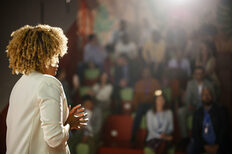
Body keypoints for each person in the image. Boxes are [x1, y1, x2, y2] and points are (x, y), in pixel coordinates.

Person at [6, 25, 88, 154]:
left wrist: (64, 122)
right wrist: (70, 125)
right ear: (43, 56)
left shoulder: (19, 85)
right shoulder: (48, 82)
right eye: (55, 55)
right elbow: (54, 139)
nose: (57, 62)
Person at [187, 87, 229, 154]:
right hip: (202, 143)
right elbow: (195, 132)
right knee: (190, 150)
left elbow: (224, 130)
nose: (206, 96)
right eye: (204, 95)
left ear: (212, 96)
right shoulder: (197, 113)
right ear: (201, 97)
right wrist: (205, 146)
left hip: (218, 143)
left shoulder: (221, 110)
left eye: (208, 94)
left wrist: (216, 146)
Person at [178, 66, 215, 138]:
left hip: (206, 107)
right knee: (181, 111)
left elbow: (213, 98)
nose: (198, 75)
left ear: (203, 74)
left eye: (200, 73)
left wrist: (206, 106)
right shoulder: (190, 84)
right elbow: (187, 99)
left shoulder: (209, 84)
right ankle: (184, 137)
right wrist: (189, 105)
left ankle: (206, 136)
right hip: (194, 108)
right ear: (194, 75)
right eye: (196, 74)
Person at [131, 67, 161, 141]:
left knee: (149, 115)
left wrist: (153, 94)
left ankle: (148, 137)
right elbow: (135, 97)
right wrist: (135, 107)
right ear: (142, 74)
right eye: (144, 72)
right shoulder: (138, 83)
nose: (146, 73)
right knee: (138, 115)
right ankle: (133, 136)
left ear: (150, 73)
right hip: (141, 105)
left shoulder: (155, 82)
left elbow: (159, 93)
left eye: (147, 72)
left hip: (151, 104)